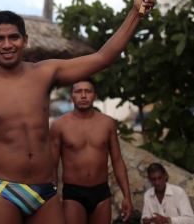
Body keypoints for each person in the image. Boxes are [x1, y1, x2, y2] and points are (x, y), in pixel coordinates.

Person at [0, 0, 157, 224]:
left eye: (14, 37)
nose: (7, 44)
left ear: (25, 40)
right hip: (3, 190)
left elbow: (103, 58)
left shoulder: (45, 73)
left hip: (45, 192)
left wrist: (135, 13)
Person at [49, 78, 132, 224]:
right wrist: (53, 197)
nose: (83, 95)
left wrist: (127, 196)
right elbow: (52, 166)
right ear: (71, 96)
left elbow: (117, 161)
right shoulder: (59, 125)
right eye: (78, 91)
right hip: (73, 193)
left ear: (95, 96)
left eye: (88, 91)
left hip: (101, 192)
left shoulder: (107, 123)